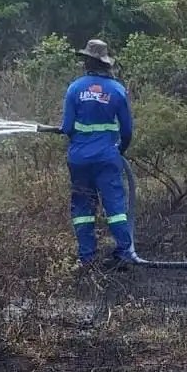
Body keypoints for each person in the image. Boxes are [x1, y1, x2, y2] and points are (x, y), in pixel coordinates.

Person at [60, 39, 136, 271]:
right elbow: (127, 130)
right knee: (115, 206)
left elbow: (67, 127)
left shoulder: (74, 88)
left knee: (82, 207)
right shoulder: (117, 90)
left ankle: (87, 258)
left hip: (79, 159)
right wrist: (118, 151)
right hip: (107, 158)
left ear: (87, 62)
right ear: (105, 63)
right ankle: (124, 253)